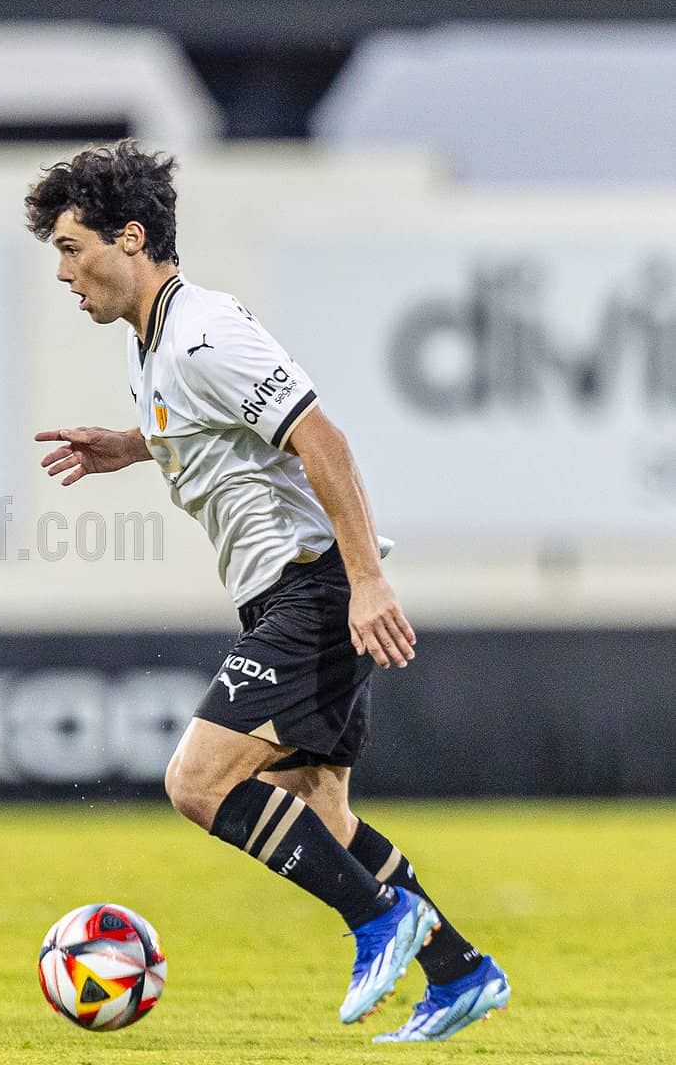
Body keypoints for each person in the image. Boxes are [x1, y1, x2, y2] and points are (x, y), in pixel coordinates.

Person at [26, 141, 510, 1041]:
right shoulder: (154, 341)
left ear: (129, 238)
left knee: (197, 782)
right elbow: (208, 427)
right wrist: (130, 445)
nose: (62, 272)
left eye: (69, 247)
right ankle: (459, 973)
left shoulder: (203, 334)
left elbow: (321, 440)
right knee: (320, 811)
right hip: (294, 592)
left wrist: (366, 582)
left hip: (314, 588)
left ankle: (379, 921)